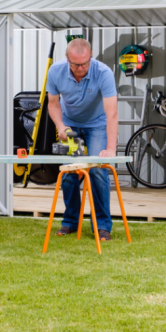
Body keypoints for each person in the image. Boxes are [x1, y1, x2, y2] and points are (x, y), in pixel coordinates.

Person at [46, 38, 119, 241]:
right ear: (67, 59)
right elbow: (52, 104)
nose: (80, 68)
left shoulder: (103, 73)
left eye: (85, 63)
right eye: (76, 64)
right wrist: (61, 126)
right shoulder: (56, 72)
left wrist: (111, 149)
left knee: (97, 170)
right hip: (70, 126)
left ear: (91, 57)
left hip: (97, 124)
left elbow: (112, 113)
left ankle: (102, 225)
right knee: (69, 171)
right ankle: (70, 221)